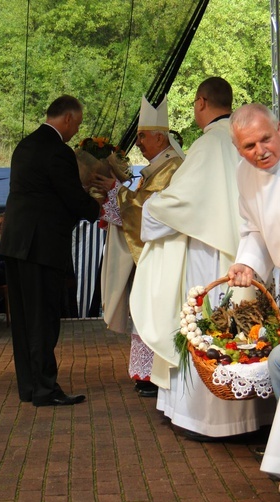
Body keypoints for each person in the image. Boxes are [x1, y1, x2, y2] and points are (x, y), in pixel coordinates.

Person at [129, 78, 275, 439]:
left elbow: (181, 203)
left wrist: (149, 209)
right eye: (251, 146)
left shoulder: (209, 144)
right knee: (246, 331)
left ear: (200, 103)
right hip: (247, 258)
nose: (256, 150)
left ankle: (210, 420)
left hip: (211, 256)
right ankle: (254, 416)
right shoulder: (238, 145)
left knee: (214, 328)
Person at [0, 95, 100, 407]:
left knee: (24, 319)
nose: (76, 130)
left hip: (15, 242)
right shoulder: (58, 151)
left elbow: (40, 195)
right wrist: (97, 205)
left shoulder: (25, 145)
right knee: (43, 318)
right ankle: (45, 389)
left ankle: (29, 386)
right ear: (68, 119)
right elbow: (70, 198)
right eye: (78, 124)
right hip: (41, 246)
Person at [92, 95, 184, 397]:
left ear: (160, 137)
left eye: (143, 136)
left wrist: (117, 191)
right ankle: (146, 373)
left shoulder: (172, 167)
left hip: (164, 253)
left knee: (156, 311)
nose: (139, 142)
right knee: (144, 310)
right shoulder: (156, 166)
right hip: (151, 255)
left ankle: (155, 373)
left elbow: (149, 210)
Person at [227, 102, 280, 497]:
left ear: (279, 129)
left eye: (266, 138)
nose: (260, 150)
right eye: (249, 145)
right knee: (279, 363)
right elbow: (254, 232)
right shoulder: (244, 176)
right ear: (238, 149)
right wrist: (246, 263)